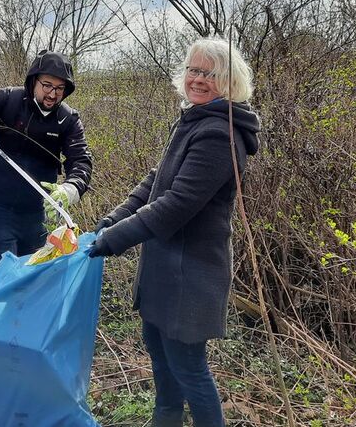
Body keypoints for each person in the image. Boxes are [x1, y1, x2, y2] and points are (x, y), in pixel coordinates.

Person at [88, 37, 261, 427]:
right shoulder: (193, 119)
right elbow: (157, 181)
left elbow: (176, 204)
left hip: (190, 275)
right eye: (193, 70)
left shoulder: (219, 134)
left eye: (209, 73)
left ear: (228, 81)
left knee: (188, 368)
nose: (197, 78)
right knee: (160, 355)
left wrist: (112, 241)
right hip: (165, 268)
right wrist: (114, 218)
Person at [0, 50, 93, 277]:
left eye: (59, 88)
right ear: (34, 81)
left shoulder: (68, 119)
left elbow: (81, 161)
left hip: (37, 212)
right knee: (1, 275)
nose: (52, 94)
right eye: (47, 85)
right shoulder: (8, 99)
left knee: (31, 274)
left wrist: (70, 189)